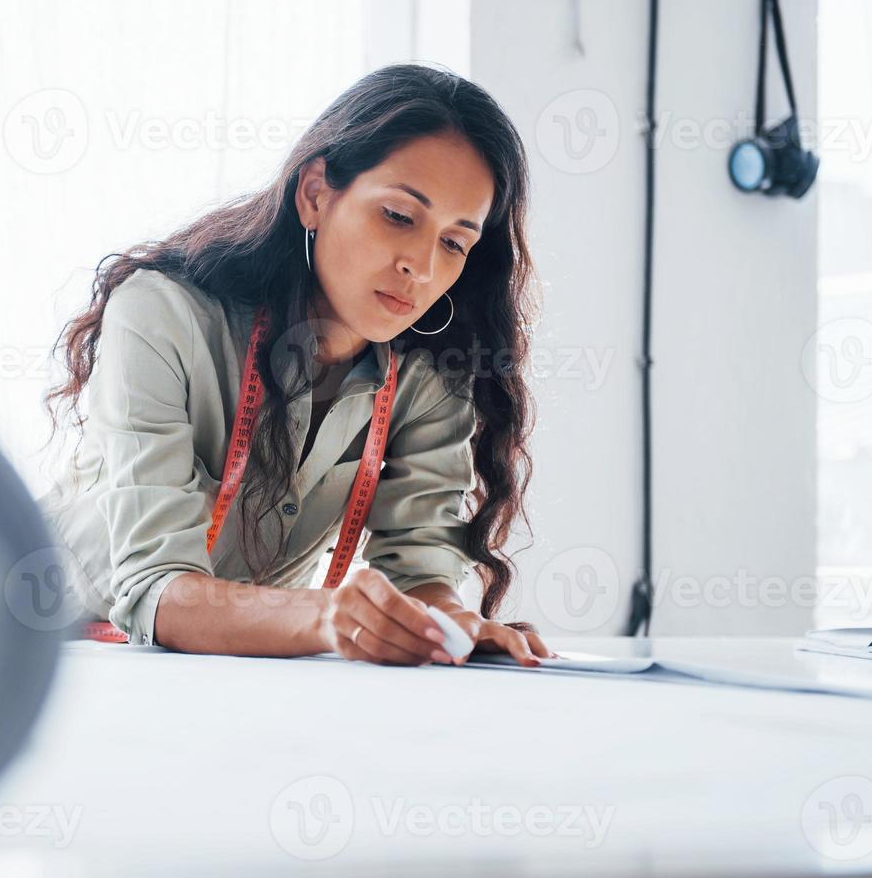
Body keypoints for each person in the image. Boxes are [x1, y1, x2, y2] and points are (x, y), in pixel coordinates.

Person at [38, 63, 551, 667]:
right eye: (399, 216)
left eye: (454, 242)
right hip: (55, 653)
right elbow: (156, 591)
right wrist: (332, 617)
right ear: (315, 195)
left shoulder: (432, 369)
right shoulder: (160, 316)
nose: (423, 266)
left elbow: (420, 568)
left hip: (239, 668)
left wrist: (448, 622)